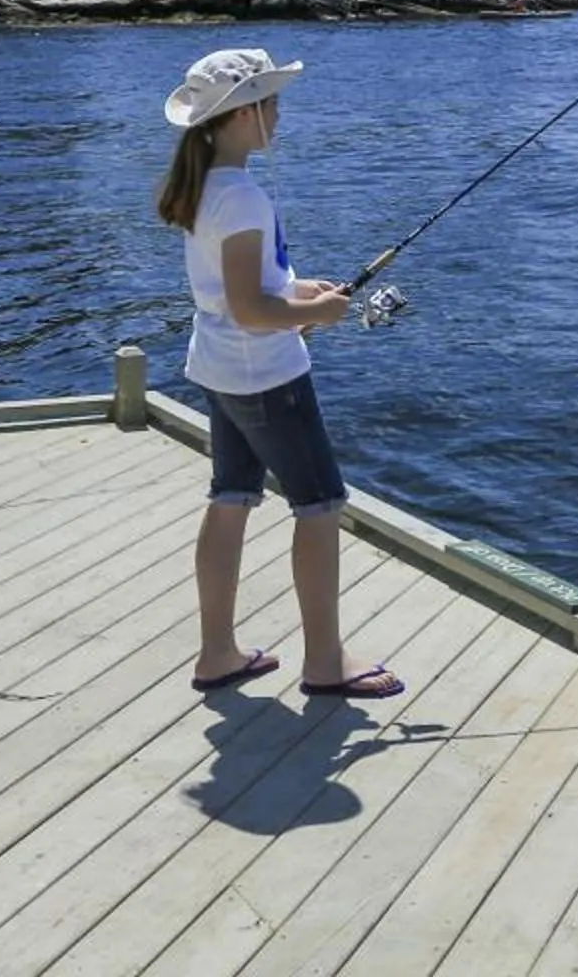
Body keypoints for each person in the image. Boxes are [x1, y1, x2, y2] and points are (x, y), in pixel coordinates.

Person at [157, 48, 402, 701]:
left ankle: (218, 653)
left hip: (218, 366)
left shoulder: (209, 182)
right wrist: (318, 311)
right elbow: (250, 308)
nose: (279, 112)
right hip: (264, 376)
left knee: (231, 497)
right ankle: (325, 661)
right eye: (272, 101)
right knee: (320, 506)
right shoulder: (240, 197)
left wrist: (299, 290)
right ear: (243, 114)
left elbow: (244, 291)